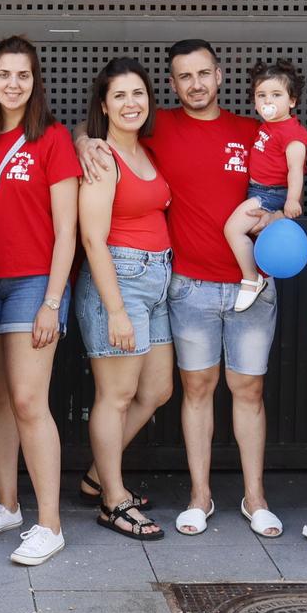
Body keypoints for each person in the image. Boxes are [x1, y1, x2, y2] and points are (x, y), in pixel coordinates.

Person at [78, 40, 278, 540]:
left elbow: (283, 171)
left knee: (197, 389)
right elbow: (92, 131)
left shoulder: (249, 131)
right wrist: (85, 140)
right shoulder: (156, 128)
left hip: (232, 284)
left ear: (220, 74)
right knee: (165, 390)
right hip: (178, 285)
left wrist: (280, 214)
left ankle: (253, 499)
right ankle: (159, 496)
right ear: (172, 84)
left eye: (203, 73)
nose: (195, 84)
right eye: (184, 77)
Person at [0, 36, 78, 567]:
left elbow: (68, 230)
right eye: (4, 74)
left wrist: (53, 300)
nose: (13, 84)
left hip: (35, 283)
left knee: (30, 401)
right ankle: (7, 505)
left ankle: (48, 522)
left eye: (23, 75)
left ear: (36, 81)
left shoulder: (52, 139)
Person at [75, 58, 175, 542]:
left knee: (156, 390)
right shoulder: (102, 159)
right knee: (114, 397)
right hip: (119, 280)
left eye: (138, 93)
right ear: (104, 106)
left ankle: (97, 475)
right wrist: (114, 309)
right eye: (120, 96)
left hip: (157, 279)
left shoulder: (145, 152)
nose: (131, 103)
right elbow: (92, 238)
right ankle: (112, 500)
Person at [222, 58, 307, 312]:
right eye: (261, 95)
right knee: (250, 231)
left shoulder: (292, 133)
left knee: (233, 229)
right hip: (258, 191)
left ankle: (251, 278)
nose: (267, 101)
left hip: (270, 195)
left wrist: (292, 200)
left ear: (291, 101)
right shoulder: (268, 127)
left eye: (276, 94)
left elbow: (295, 169)